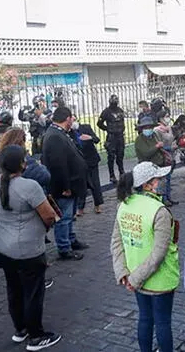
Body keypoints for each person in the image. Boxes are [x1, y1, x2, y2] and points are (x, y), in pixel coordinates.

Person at [0, 145, 61, 351]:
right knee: (32, 292)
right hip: (29, 249)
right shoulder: (29, 186)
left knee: (14, 289)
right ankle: (36, 336)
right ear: (22, 164)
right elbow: (48, 215)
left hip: (3, 247)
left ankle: (20, 330)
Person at [111, 162, 178, 352]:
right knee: (163, 322)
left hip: (135, 277)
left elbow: (116, 242)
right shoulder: (159, 210)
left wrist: (124, 274)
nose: (163, 181)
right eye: (159, 178)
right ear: (148, 184)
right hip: (159, 279)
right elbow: (159, 253)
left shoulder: (124, 204)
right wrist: (134, 279)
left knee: (145, 318)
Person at [41, 107, 89, 260]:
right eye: (72, 119)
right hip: (63, 187)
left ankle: (71, 239)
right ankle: (64, 247)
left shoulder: (60, 133)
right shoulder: (55, 136)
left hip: (72, 184)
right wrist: (65, 187)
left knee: (70, 215)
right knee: (64, 217)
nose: (73, 122)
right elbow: (58, 165)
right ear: (67, 118)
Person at [74, 120, 104, 216]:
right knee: (81, 184)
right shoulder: (69, 133)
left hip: (92, 160)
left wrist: (90, 137)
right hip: (80, 162)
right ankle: (80, 207)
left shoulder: (86, 127)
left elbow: (97, 139)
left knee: (95, 183)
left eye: (74, 119)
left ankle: (98, 205)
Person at [98, 94, 126, 184]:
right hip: (111, 137)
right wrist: (107, 129)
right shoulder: (106, 111)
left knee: (120, 155)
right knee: (111, 157)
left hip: (120, 136)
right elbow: (99, 123)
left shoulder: (120, 110)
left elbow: (122, 122)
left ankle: (122, 172)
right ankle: (112, 175)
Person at [155, 110, 177, 205]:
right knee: (163, 179)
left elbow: (172, 138)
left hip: (171, 156)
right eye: (166, 116)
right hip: (163, 156)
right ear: (160, 118)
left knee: (168, 178)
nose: (168, 118)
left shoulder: (169, 128)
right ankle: (163, 198)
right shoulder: (157, 130)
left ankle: (168, 196)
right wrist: (169, 147)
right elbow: (158, 145)